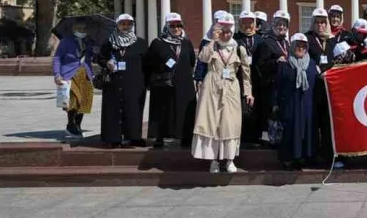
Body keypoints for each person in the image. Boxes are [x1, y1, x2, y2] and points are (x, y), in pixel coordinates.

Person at [192, 14, 254, 173]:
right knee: (213, 123)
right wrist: (213, 39)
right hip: (212, 87)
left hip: (231, 87)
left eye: (228, 31)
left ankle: (230, 160)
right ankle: (213, 160)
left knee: (230, 124)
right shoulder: (211, 45)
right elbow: (203, 58)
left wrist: (248, 92)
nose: (226, 34)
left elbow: (246, 73)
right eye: (223, 31)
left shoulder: (239, 48)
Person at [145, 13, 196, 149]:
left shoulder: (186, 42)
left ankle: (184, 137)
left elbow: (192, 60)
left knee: (183, 109)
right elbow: (149, 62)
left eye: (178, 25)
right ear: (166, 27)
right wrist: (163, 66)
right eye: (172, 26)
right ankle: (159, 137)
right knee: (163, 110)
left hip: (183, 81)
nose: (176, 28)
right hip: (163, 82)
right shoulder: (158, 43)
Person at [97, 13, 148, 148]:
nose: (125, 26)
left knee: (133, 110)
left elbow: (148, 63)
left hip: (134, 83)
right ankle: (113, 138)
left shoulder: (141, 43)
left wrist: (148, 82)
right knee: (113, 110)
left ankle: (134, 137)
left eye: (128, 24)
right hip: (114, 82)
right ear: (117, 25)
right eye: (122, 24)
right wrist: (106, 62)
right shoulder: (109, 42)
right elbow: (99, 58)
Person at [276, 33, 318, 170]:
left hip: (307, 105)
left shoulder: (311, 64)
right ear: (292, 47)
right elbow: (278, 85)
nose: (301, 49)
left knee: (307, 131)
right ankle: (289, 159)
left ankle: (305, 157)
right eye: (297, 46)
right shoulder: (285, 63)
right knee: (290, 131)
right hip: (290, 105)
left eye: (303, 46)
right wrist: (275, 105)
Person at [254, 10, 292, 147]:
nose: (281, 27)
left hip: (284, 87)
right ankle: (266, 141)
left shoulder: (288, 43)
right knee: (268, 116)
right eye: (279, 24)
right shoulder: (266, 43)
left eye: (284, 25)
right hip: (269, 86)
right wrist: (276, 61)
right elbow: (260, 65)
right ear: (273, 25)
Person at [52, 19, 95, 139]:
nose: (82, 31)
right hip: (70, 74)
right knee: (73, 100)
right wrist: (57, 74)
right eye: (79, 29)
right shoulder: (66, 41)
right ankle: (70, 125)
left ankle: (78, 125)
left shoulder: (89, 42)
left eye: (84, 29)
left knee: (84, 101)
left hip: (85, 74)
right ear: (73, 29)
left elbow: (92, 58)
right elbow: (57, 58)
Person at [305, 8, 336, 164]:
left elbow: (337, 61)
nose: (320, 25)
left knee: (328, 123)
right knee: (313, 122)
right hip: (313, 87)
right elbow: (305, 59)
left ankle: (328, 155)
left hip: (330, 88)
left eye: (323, 22)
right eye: (317, 22)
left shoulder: (333, 40)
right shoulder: (307, 39)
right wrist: (316, 72)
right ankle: (312, 155)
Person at [235, 11, 264, 146]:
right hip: (241, 80)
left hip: (258, 80)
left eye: (250, 22)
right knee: (243, 110)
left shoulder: (261, 40)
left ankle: (255, 137)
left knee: (257, 109)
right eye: (245, 22)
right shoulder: (235, 39)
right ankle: (242, 138)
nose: (248, 25)